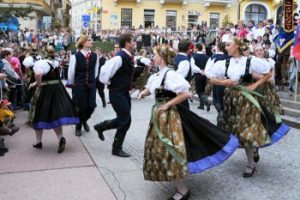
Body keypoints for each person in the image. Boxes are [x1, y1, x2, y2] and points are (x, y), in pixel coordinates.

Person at [138, 44, 238, 200]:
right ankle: (176, 181)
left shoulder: (170, 75)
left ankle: (182, 190)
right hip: (159, 118)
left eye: (155, 54)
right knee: (161, 150)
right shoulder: (156, 75)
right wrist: (142, 93)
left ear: (163, 57)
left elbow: (186, 93)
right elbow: (150, 89)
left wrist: (169, 104)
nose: (153, 57)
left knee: (170, 151)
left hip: (170, 118)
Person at [206, 36, 290, 178]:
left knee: (247, 131)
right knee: (236, 131)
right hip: (231, 101)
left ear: (237, 46)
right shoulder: (225, 63)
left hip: (247, 101)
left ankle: (250, 164)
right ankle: (254, 149)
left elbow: (268, 72)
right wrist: (223, 83)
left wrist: (254, 85)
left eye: (228, 45)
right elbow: (211, 77)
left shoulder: (250, 61)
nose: (226, 47)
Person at [94, 33, 136, 157]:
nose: (135, 43)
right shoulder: (119, 57)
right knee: (125, 120)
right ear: (127, 43)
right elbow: (104, 73)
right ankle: (116, 148)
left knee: (125, 119)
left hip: (123, 92)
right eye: (133, 41)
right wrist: (111, 83)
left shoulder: (127, 56)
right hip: (117, 93)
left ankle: (101, 127)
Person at [31, 46, 79, 153]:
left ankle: (38, 142)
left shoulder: (42, 63)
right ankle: (60, 138)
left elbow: (38, 74)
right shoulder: (55, 62)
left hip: (47, 90)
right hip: (58, 89)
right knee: (56, 115)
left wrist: (39, 84)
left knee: (40, 114)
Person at [68, 35, 99, 137]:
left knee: (92, 106)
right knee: (81, 107)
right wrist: (72, 83)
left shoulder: (95, 56)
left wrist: (91, 81)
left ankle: (84, 120)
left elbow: (96, 71)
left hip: (91, 84)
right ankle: (78, 126)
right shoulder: (75, 56)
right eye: (89, 40)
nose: (91, 42)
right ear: (83, 42)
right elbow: (71, 72)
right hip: (79, 85)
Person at [191, 42, 210, 110]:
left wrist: (200, 71)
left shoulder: (194, 56)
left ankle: (206, 102)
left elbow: (193, 67)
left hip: (198, 75)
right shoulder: (207, 57)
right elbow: (209, 66)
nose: (194, 49)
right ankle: (201, 105)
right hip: (204, 75)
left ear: (197, 48)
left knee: (199, 91)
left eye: (195, 47)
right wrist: (205, 71)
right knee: (202, 90)